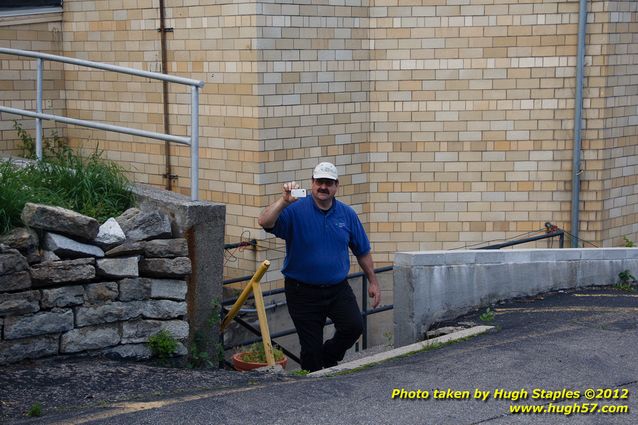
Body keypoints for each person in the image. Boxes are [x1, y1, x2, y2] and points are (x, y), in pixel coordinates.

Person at [258, 161, 381, 372]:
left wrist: (373, 281)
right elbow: (264, 222)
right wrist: (283, 201)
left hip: (337, 288)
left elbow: (362, 251)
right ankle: (312, 391)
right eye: (320, 182)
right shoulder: (295, 209)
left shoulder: (347, 214)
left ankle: (330, 355)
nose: (324, 187)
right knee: (310, 349)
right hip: (302, 291)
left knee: (353, 327)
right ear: (312, 183)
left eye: (329, 183)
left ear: (336, 186)